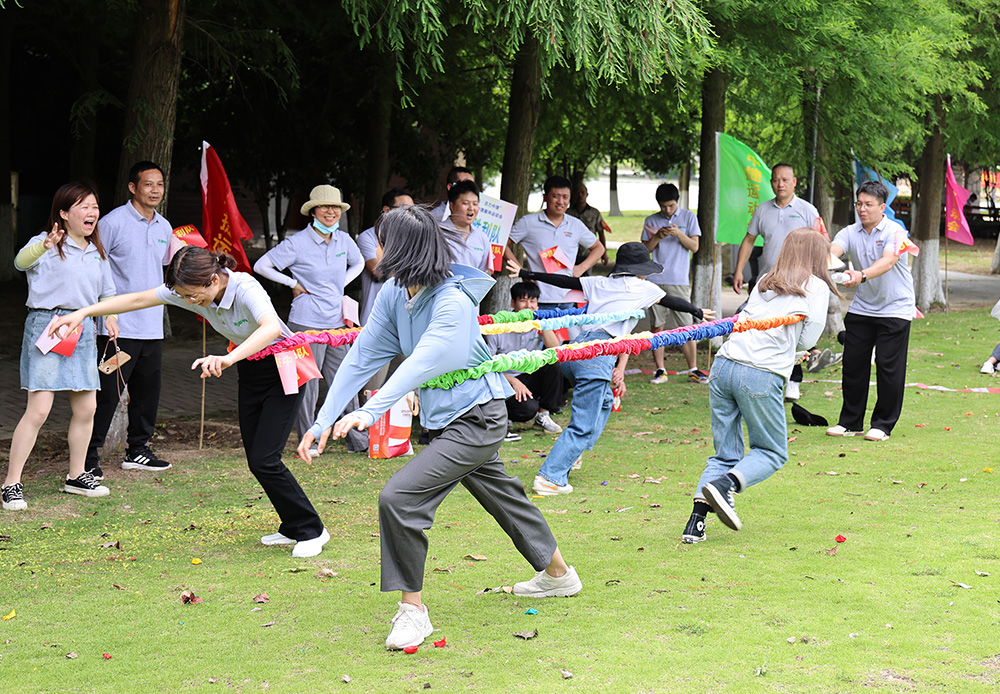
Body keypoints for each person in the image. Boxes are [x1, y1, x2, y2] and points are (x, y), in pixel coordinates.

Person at [296, 206, 582, 651]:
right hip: (447, 421)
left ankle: (413, 612)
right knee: (503, 494)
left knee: (399, 498)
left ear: (400, 248)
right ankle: (559, 575)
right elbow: (363, 355)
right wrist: (323, 418)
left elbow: (423, 361)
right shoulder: (396, 292)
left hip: (478, 418)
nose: (376, 247)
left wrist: (371, 412)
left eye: (382, 240)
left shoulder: (451, 301)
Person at [50, 246, 330, 558]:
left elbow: (271, 327)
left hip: (284, 368)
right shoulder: (190, 290)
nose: (188, 302)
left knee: (265, 458)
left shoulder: (246, 288)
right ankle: (292, 526)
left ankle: (312, 529)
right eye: (182, 295)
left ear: (213, 279)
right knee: (257, 459)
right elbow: (138, 299)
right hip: (250, 370)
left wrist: (228, 358)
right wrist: (83, 313)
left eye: (192, 295)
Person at [508, 242, 712, 496]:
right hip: (598, 355)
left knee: (605, 401)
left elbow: (563, 281)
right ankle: (550, 478)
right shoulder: (644, 287)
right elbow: (672, 301)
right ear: (640, 269)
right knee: (583, 424)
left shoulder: (599, 283)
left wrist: (527, 274)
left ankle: (573, 454)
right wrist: (697, 311)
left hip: (574, 351)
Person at [682, 228, 838, 543]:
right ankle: (726, 486)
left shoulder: (767, 278)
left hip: (725, 365)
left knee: (725, 452)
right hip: (759, 373)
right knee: (772, 451)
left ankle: (695, 523)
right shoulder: (817, 286)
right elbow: (808, 338)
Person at [3, 182, 116, 511]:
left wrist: (109, 316)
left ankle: (76, 476)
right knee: (38, 410)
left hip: (82, 329)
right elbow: (20, 263)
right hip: (49, 327)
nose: (91, 212)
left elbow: (106, 293)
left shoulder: (97, 251)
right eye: (83, 206)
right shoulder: (45, 242)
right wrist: (46, 245)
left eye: (94, 206)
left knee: (87, 408)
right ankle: (11, 483)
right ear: (64, 213)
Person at [254, 184, 365, 455]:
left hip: (338, 323)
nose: (331, 211)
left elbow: (359, 263)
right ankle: (309, 441)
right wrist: (292, 282)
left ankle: (358, 441)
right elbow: (261, 266)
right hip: (306, 323)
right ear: (313, 211)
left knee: (345, 378)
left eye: (336, 207)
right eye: (325, 206)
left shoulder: (344, 239)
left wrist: (342, 284)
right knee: (308, 385)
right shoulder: (297, 242)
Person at [86, 161, 173, 480]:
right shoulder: (112, 223)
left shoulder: (164, 226)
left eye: (159, 185)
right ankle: (87, 456)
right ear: (133, 188)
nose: (155, 190)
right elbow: (94, 264)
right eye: (148, 184)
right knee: (106, 394)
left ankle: (138, 449)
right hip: (116, 329)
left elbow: (164, 266)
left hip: (152, 328)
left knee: (148, 392)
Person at [825, 180, 916, 442]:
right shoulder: (850, 232)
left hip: (895, 308)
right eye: (859, 204)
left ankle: (883, 425)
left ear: (882, 207)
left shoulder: (895, 232)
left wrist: (861, 275)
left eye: (868, 205)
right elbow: (835, 250)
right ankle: (850, 422)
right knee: (853, 365)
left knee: (889, 368)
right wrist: (830, 261)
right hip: (864, 307)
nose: (862, 209)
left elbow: (888, 261)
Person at [732, 164, 821, 401]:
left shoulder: (807, 210)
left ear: (794, 182)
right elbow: (749, 240)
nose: (779, 184)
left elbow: (821, 242)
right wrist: (739, 270)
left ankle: (794, 381)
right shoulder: (762, 210)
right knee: (764, 331)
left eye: (784, 180)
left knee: (792, 330)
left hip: (797, 283)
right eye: (775, 180)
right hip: (768, 283)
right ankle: (765, 377)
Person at [504, 175, 605, 310]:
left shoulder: (575, 224)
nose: (560, 202)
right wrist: (521, 272)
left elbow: (599, 248)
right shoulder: (529, 222)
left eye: (565, 197)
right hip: (538, 300)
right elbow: (503, 244)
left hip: (569, 299)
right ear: (545, 197)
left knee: (568, 331)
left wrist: (582, 267)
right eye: (555, 196)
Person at [641, 183, 705, 384]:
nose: (667, 210)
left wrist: (679, 234)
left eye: (670, 205)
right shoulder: (651, 220)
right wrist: (657, 236)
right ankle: (660, 370)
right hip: (655, 280)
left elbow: (694, 247)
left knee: (686, 327)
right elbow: (645, 251)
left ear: (677, 202)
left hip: (679, 280)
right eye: (663, 206)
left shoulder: (689, 217)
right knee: (657, 327)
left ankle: (693, 369)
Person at [484, 282, 564, 439]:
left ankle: (543, 415)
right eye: (523, 301)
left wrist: (543, 324)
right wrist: (513, 381)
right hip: (502, 379)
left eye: (533, 301)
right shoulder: (498, 326)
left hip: (527, 373)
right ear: (513, 303)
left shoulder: (536, 323)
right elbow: (488, 365)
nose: (529, 306)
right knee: (527, 411)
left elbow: (556, 351)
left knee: (553, 363)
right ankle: (503, 415)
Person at [358, 187, 414, 326]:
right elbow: (379, 271)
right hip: (374, 317)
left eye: (412, 209)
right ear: (387, 210)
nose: (410, 214)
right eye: (404, 209)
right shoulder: (368, 237)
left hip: (407, 317)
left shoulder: (414, 237)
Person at [440, 179, 492, 272]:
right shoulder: (438, 233)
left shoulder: (482, 238)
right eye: (465, 203)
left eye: (475, 204)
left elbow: (481, 273)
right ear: (451, 206)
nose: (471, 208)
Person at [567, 183, 609, 266]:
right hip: (571, 252)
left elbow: (601, 233)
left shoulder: (595, 213)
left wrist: (604, 253)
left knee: (587, 277)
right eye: (577, 193)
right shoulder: (567, 213)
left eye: (582, 192)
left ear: (587, 194)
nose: (580, 195)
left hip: (589, 252)